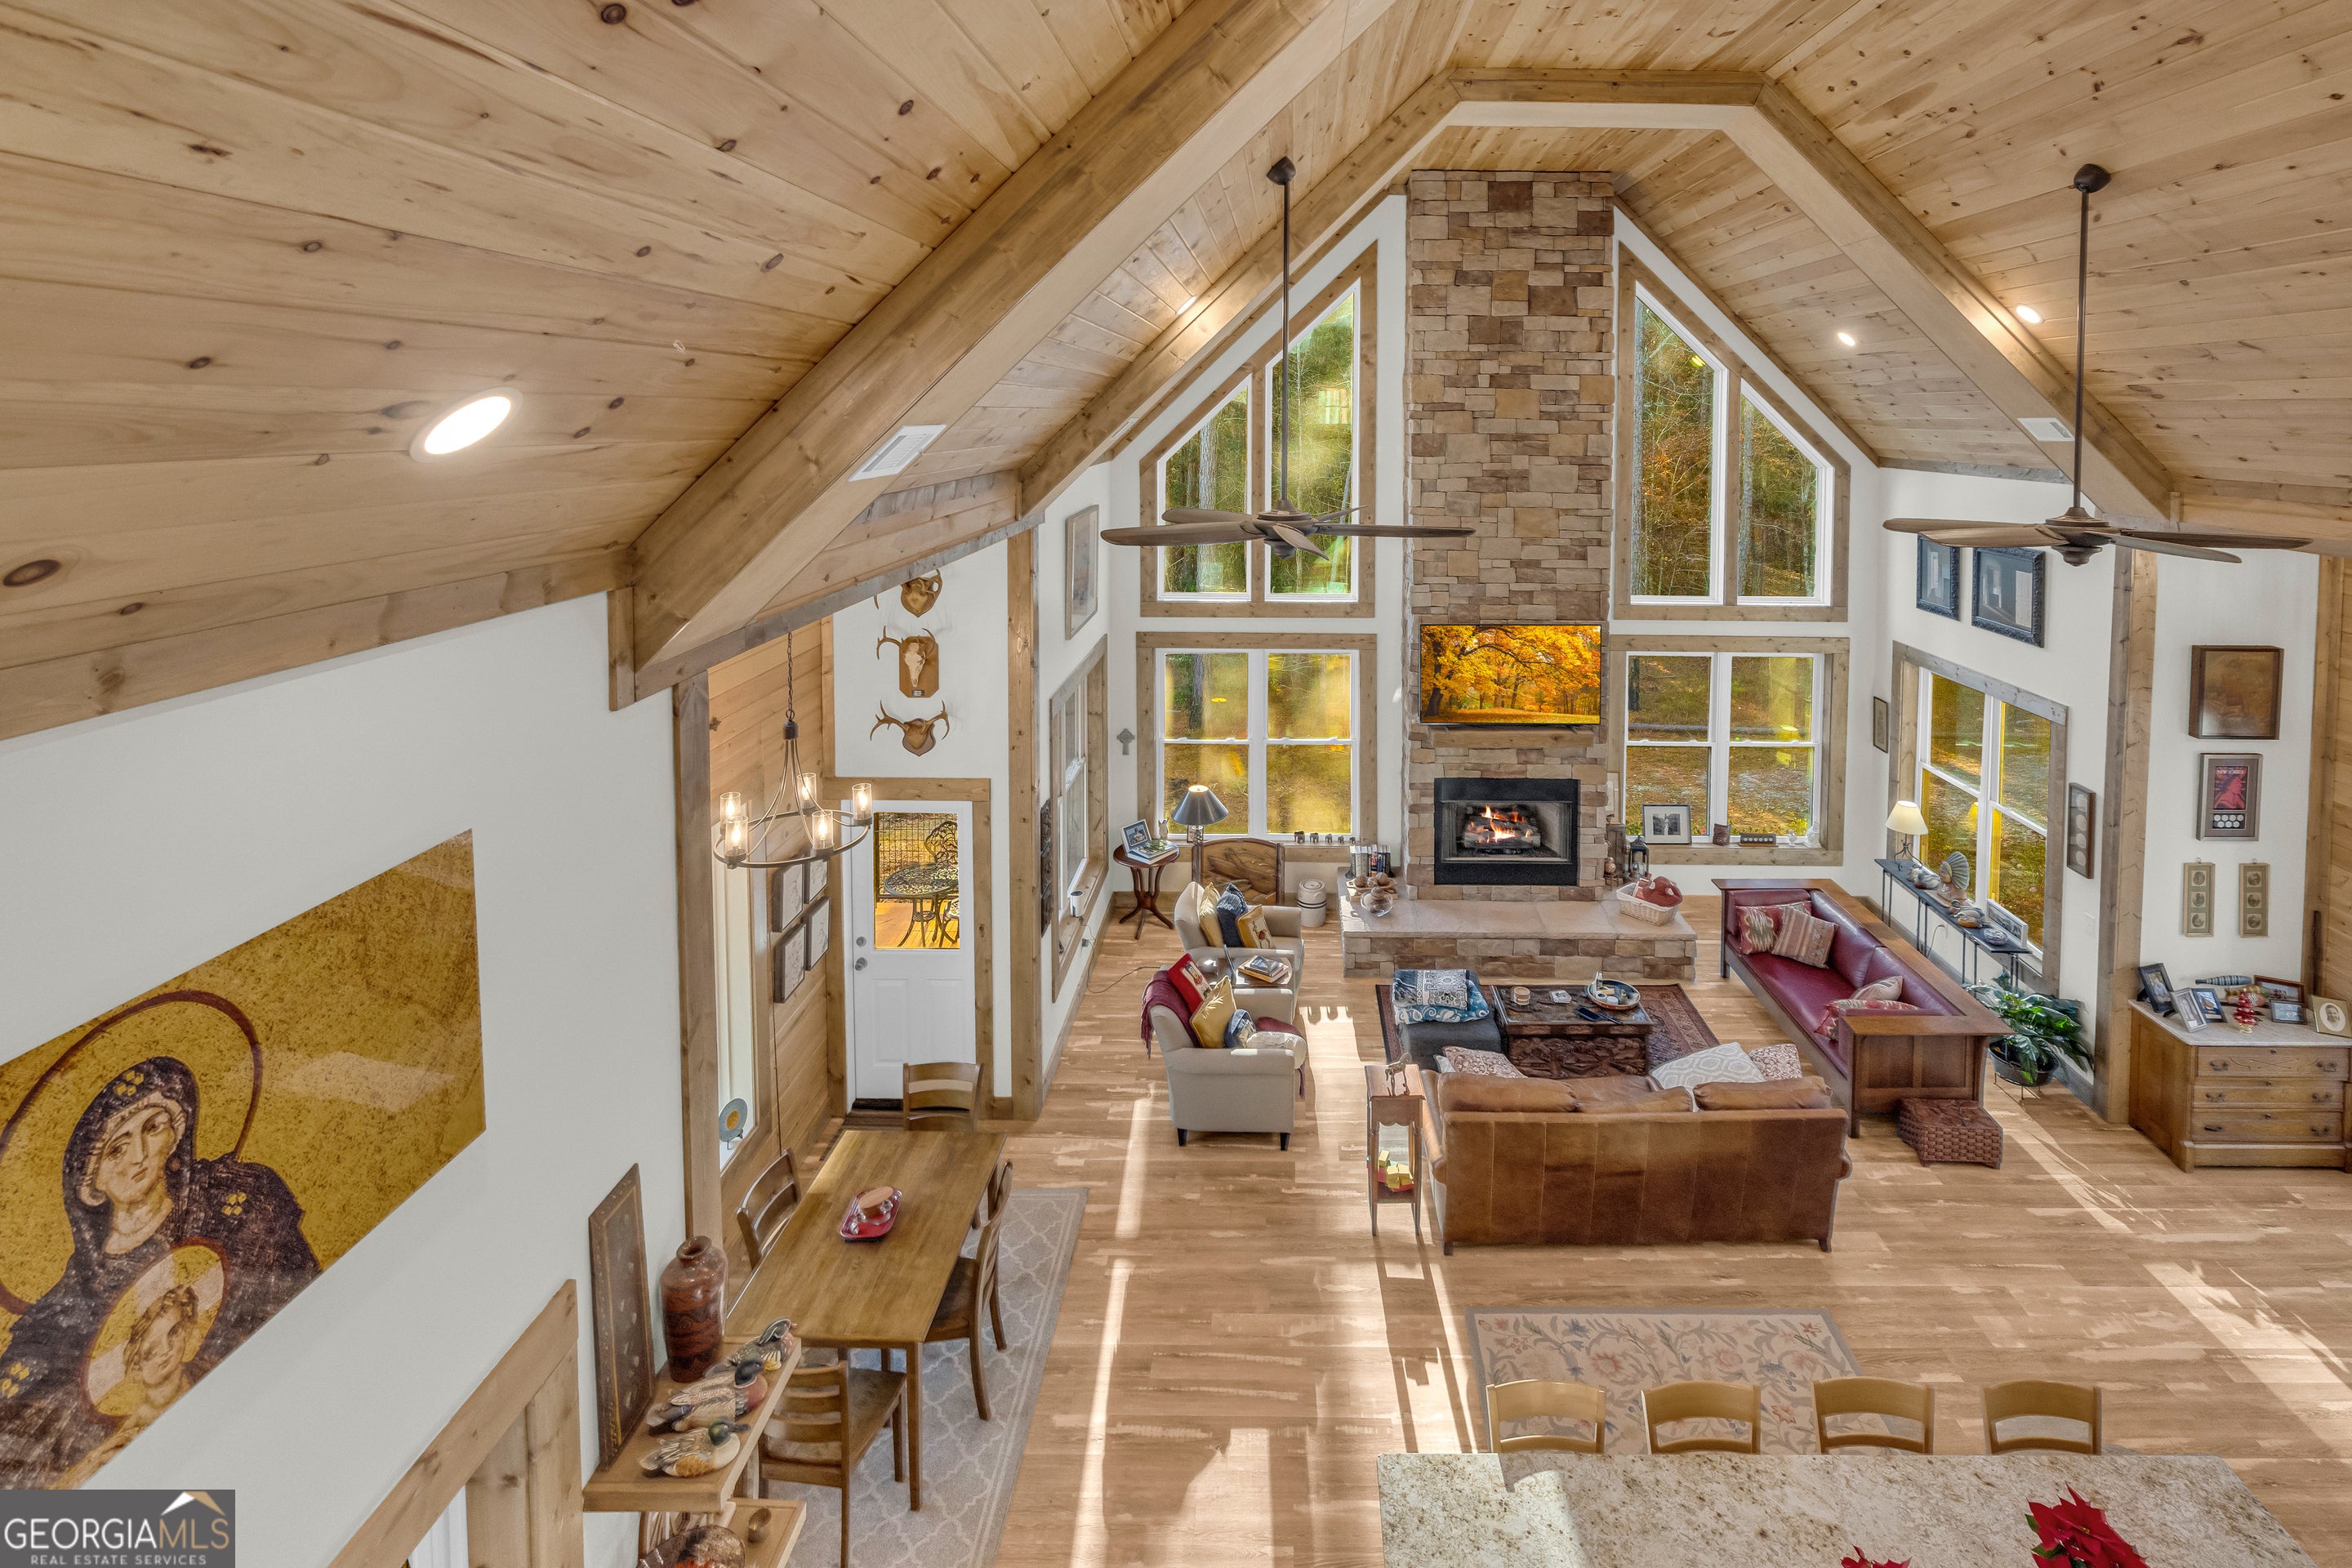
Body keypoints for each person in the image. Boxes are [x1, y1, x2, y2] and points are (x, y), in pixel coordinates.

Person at [0, 1057, 318, 1486]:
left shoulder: (239, 1207)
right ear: (90, 1182)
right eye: (116, 1149)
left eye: (153, 1128)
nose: (139, 1156)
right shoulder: (61, 1317)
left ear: (176, 1133)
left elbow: (304, 1310)